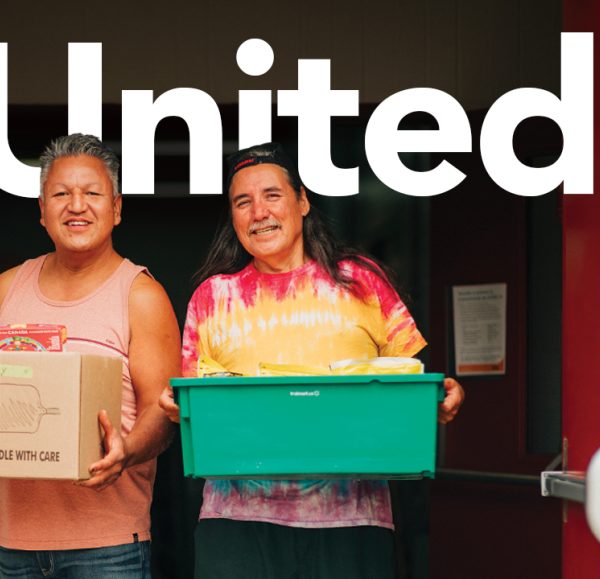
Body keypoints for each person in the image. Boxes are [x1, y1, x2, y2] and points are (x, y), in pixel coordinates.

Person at [158, 142, 464, 578]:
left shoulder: (361, 282)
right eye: (242, 202)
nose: (258, 212)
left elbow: (409, 383)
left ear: (302, 201)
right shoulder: (213, 297)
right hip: (237, 524)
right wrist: (174, 406)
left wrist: (443, 395)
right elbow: (195, 404)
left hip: (351, 521)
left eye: (272, 195)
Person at [0, 134, 180, 579]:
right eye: (61, 194)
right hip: (16, 543)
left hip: (108, 545)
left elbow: (165, 414)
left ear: (116, 208)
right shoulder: (4, 290)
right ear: (42, 210)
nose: (76, 205)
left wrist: (126, 452)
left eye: (92, 193)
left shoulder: (141, 295)